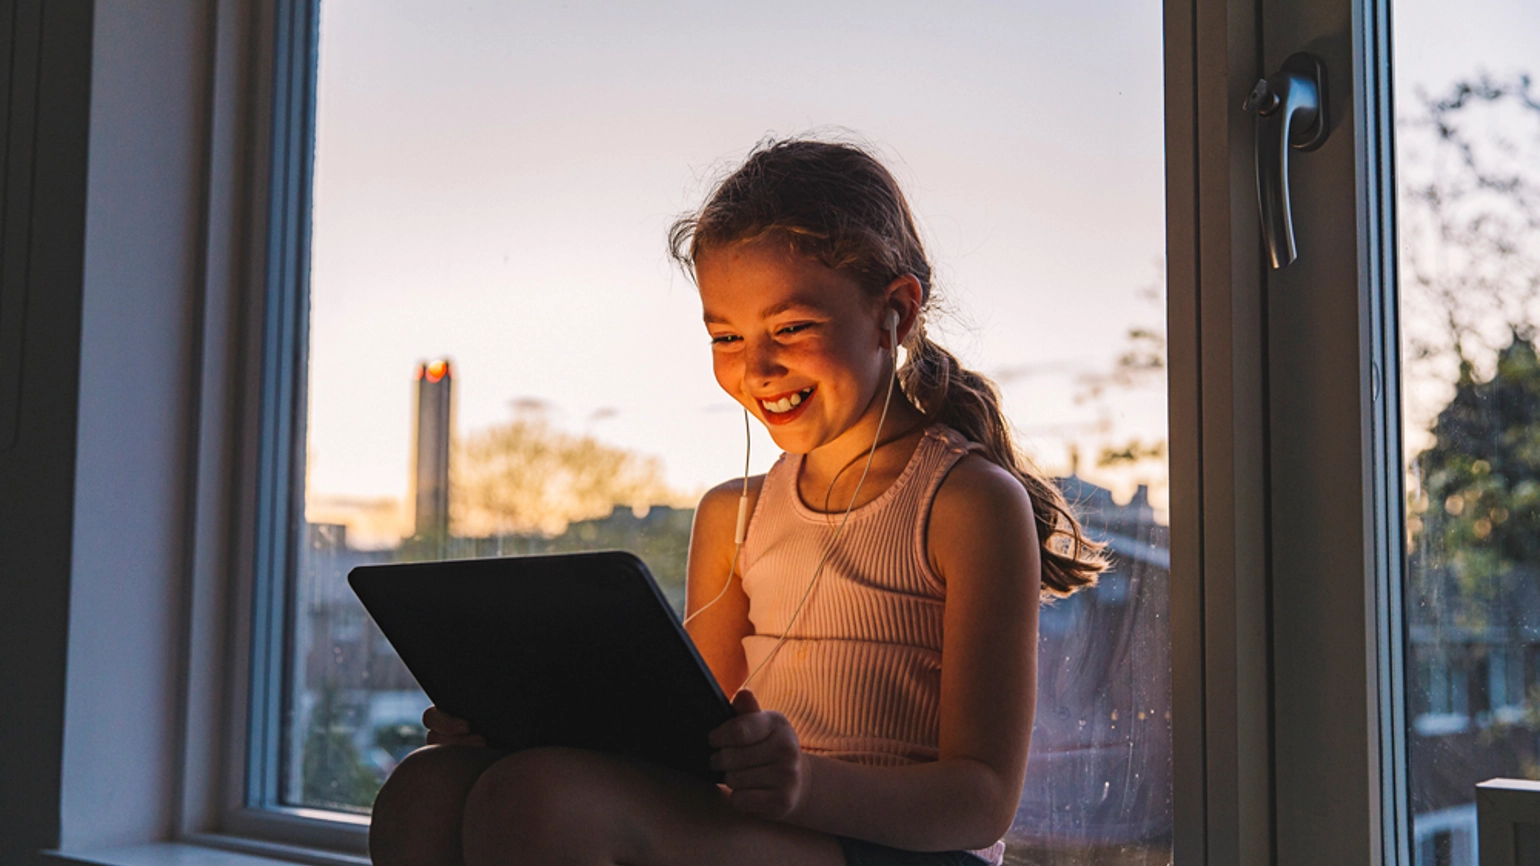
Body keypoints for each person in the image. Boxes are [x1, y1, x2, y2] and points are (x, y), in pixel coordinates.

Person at [368, 138, 1105, 866]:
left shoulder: (968, 504)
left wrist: (802, 784)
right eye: (726, 334)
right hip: (766, 831)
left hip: (905, 848)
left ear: (897, 314)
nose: (757, 366)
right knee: (427, 787)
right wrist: (511, 727)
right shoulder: (733, 516)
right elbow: (685, 740)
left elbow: (981, 800)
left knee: (541, 801)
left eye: (791, 327)